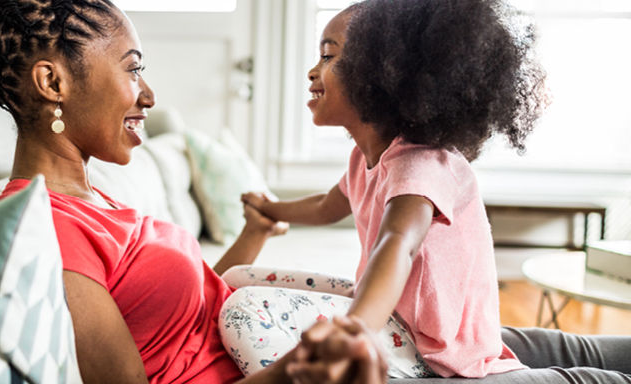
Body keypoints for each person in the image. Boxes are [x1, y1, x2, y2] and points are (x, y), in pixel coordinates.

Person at [0, 0, 386, 383]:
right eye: (132, 70)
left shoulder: (91, 200)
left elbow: (193, 312)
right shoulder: (47, 229)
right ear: (52, 82)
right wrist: (300, 368)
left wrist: (252, 235)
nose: (149, 95)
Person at [241, 0, 631, 382]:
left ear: (378, 75)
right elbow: (326, 207)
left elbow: (398, 241)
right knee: (572, 349)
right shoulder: (364, 159)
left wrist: (355, 328)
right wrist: (273, 211)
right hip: (413, 332)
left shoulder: (421, 163)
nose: (312, 71)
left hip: (452, 356)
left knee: (587, 372)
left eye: (328, 57)